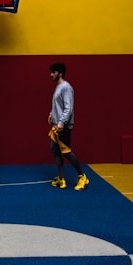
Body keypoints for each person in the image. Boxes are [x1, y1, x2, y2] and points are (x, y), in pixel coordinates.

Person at [48, 62, 89, 191]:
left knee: (67, 153)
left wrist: (61, 122)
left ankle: (82, 177)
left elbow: (68, 108)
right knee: (54, 150)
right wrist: (51, 114)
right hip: (56, 125)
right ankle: (61, 179)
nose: (51, 75)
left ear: (60, 73)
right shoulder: (58, 87)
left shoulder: (66, 87)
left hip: (62, 126)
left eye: (53, 72)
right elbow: (58, 105)